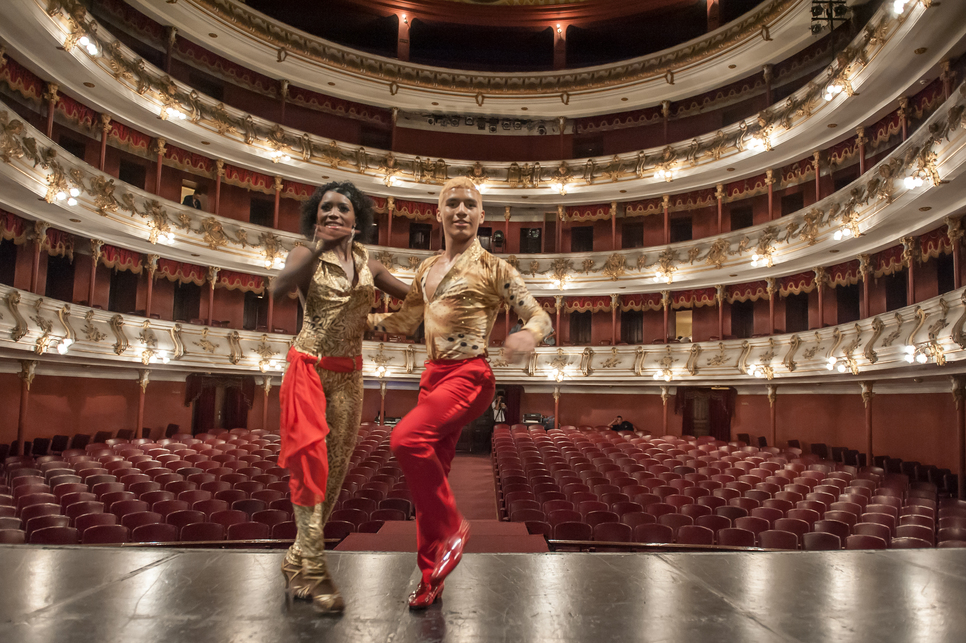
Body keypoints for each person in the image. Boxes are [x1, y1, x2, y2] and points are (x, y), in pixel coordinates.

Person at [370, 176, 552, 609]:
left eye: (470, 204)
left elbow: (538, 315)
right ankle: (431, 578)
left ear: (481, 216)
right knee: (427, 486)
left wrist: (528, 335)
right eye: (452, 203)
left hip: (470, 376)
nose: (461, 211)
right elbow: (402, 321)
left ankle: (453, 527)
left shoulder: (494, 268)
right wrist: (358, 323)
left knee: (405, 439)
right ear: (439, 212)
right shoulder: (425, 270)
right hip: (431, 378)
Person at [271, 181, 409, 614]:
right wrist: (316, 249)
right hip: (309, 368)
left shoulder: (370, 263)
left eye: (342, 208)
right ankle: (313, 572)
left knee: (333, 476)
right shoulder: (303, 254)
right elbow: (279, 288)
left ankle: (296, 558)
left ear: (357, 219)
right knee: (311, 467)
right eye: (325, 207)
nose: (332, 213)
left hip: (349, 378)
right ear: (316, 217)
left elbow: (414, 297)